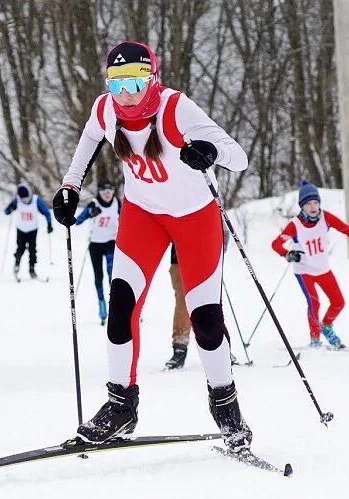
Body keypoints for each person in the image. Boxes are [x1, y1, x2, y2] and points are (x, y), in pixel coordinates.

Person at [52, 41, 252, 453]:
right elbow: (89, 139)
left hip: (195, 219)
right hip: (143, 216)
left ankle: (228, 411)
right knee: (122, 305)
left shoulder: (175, 108)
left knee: (206, 319)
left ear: (153, 79)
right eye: (117, 83)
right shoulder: (106, 110)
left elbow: (239, 157)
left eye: (136, 83)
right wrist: (70, 186)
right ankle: (121, 406)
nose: (126, 94)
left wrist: (209, 151)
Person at [271, 180, 349, 349]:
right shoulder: (295, 225)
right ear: (302, 206)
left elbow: (344, 228)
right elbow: (275, 244)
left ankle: (326, 326)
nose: (313, 207)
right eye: (308, 203)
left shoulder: (325, 218)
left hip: (322, 268)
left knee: (338, 302)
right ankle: (315, 338)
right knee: (314, 303)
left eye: (316, 202)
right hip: (304, 270)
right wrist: (287, 254)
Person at [165, 224, 232, 370]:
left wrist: (219, 252)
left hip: (205, 257)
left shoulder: (211, 200)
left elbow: (223, 229)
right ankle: (179, 349)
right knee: (183, 303)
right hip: (179, 257)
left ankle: (219, 347)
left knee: (209, 302)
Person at [75, 179, 121, 325]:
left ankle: (117, 307)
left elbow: (129, 218)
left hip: (111, 243)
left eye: (110, 192)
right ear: (99, 192)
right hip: (95, 245)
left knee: (112, 276)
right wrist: (90, 213)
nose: (107, 195)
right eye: (103, 192)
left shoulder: (117, 203)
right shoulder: (94, 204)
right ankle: (102, 307)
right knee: (98, 277)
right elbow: (77, 221)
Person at [4, 183, 53, 279]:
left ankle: (32, 269)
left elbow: (46, 212)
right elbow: (6, 211)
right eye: (22, 199)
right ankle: (17, 265)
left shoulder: (35, 200)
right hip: (21, 229)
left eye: (26, 198)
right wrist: (10, 209)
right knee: (20, 248)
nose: (24, 200)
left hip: (32, 229)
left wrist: (49, 224)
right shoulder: (17, 200)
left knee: (32, 250)